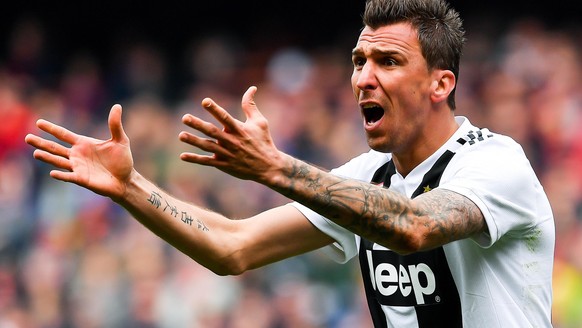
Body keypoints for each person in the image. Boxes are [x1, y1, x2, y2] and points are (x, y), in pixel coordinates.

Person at [25, 0, 555, 326]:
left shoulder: (495, 161)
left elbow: (413, 226)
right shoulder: (365, 179)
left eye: (388, 61)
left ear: (442, 84)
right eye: (358, 61)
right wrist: (130, 188)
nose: (363, 77)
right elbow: (230, 246)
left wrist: (276, 168)